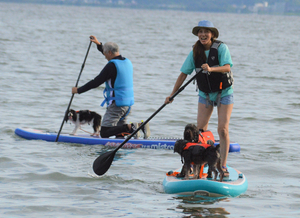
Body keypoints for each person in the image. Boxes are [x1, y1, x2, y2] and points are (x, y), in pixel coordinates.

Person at [165, 20, 234, 177]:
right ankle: (198, 165)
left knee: (222, 130)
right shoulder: (195, 52)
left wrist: (211, 68)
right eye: (200, 31)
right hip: (205, 94)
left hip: (224, 92)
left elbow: (227, 67)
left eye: (206, 31)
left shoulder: (221, 48)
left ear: (212, 35)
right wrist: (172, 94)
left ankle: (222, 165)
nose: (203, 34)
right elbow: (183, 74)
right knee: (199, 132)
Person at [72, 35, 150, 139]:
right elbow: (111, 55)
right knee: (119, 134)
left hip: (116, 106)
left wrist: (78, 90)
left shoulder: (111, 66)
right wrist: (99, 44)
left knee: (104, 132)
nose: (104, 56)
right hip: (127, 104)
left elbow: (96, 82)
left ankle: (132, 127)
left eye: (104, 53)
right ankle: (136, 129)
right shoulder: (126, 62)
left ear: (109, 53)